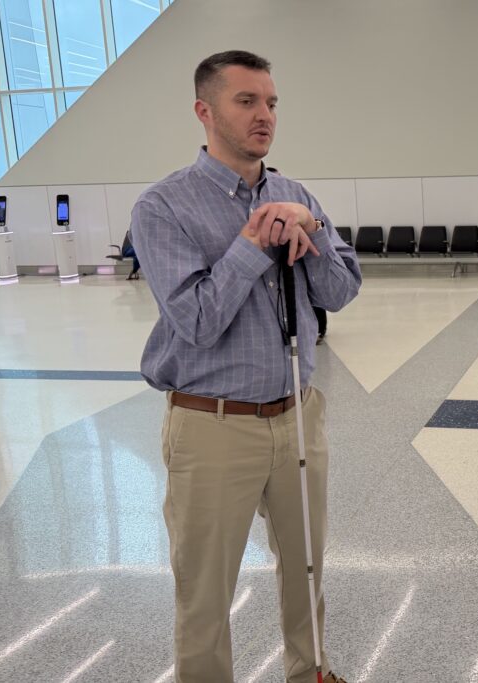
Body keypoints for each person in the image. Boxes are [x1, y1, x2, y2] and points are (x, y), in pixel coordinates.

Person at [130, 50, 361, 683]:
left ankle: (310, 670)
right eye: (247, 101)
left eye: (272, 102)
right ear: (205, 112)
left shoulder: (295, 193)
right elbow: (197, 321)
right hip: (212, 425)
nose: (265, 115)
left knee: (306, 567)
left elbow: (340, 293)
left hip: (296, 416)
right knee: (205, 589)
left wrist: (307, 237)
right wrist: (252, 245)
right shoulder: (164, 207)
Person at [267, 166, 328, 343]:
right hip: (281, 261)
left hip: (303, 258)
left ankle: (320, 329)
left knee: (313, 295)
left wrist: (310, 225)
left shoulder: (296, 200)